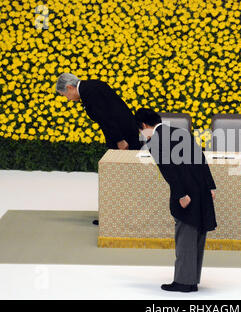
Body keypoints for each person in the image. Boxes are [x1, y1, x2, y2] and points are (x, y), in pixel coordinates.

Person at [135, 108, 217, 293]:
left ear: (145, 126)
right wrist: (210, 185)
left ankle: (183, 282)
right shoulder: (179, 131)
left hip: (186, 192)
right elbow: (200, 157)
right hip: (201, 187)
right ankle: (192, 278)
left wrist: (181, 194)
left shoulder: (154, 141)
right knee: (197, 235)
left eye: (141, 130)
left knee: (185, 236)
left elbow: (169, 170)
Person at [56, 73, 143, 225]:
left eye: (65, 95)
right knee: (121, 176)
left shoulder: (90, 93)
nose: (68, 99)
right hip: (124, 133)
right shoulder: (92, 86)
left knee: (120, 177)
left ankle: (118, 218)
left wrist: (120, 140)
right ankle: (119, 215)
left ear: (70, 88)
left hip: (122, 137)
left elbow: (107, 118)